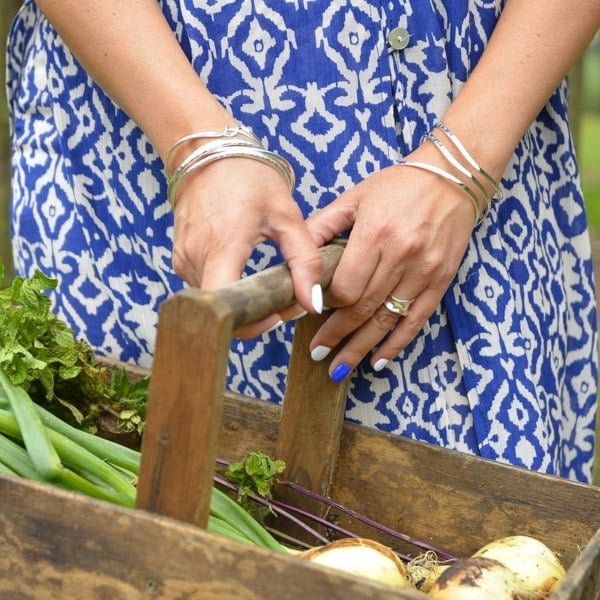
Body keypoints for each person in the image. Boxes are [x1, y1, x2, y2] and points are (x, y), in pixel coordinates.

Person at [6, 1, 600, 483]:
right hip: (140, 117)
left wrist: (462, 165)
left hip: (484, 119)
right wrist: (195, 141)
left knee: (487, 542)